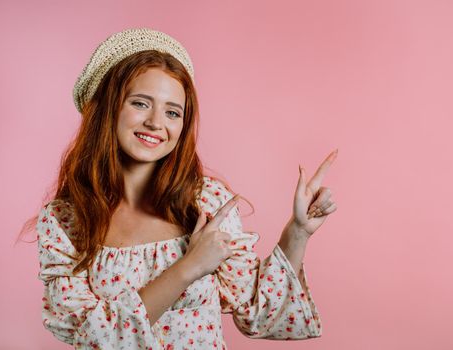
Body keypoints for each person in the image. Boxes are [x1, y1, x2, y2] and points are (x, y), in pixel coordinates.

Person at [35, 27, 338, 349]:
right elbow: (93, 339)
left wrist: (298, 232)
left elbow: (261, 316)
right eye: (140, 103)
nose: (156, 122)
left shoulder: (207, 202)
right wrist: (189, 266)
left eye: (172, 112)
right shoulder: (66, 220)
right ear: (106, 109)